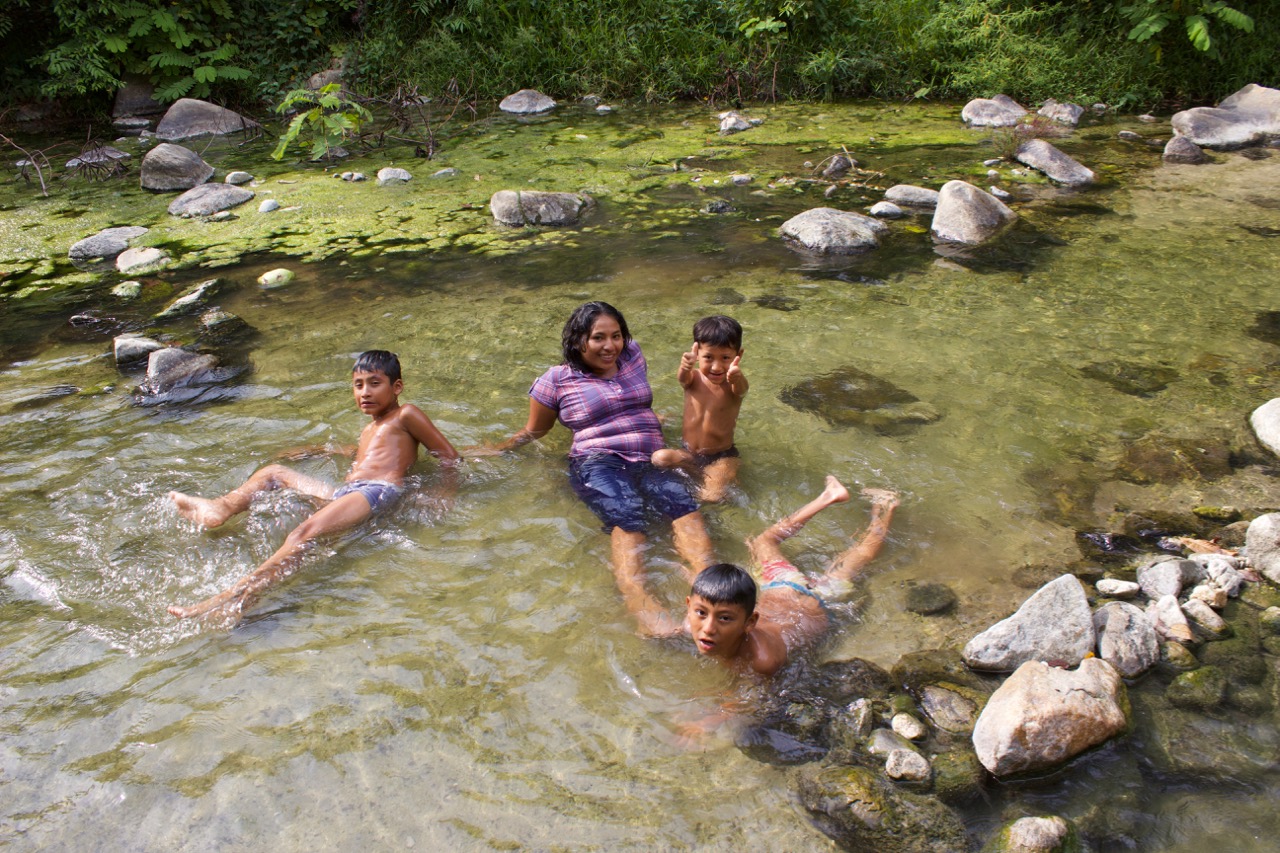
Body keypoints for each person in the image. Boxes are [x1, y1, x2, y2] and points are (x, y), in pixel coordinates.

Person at [167, 350, 459, 623]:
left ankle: (231, 598)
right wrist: (315, 449)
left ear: (397, 387)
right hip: (350, 493)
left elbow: (447, 454)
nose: (365, 392)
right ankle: (221, 507)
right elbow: (365, 454)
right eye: (358, 385)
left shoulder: (406, 414)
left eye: (375, 383)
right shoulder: (370, 428)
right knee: (274, 473)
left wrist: (445, 491)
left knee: (302, 534)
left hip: (376, 491)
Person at [472, 300, 716, 588]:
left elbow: (632, 399)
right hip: (599, 460)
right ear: (578, 341)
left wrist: (651, 417)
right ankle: (641, 605)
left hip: (651, 456)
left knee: (680, 502)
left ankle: (709, 584)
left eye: (616, 335)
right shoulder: (557, 380)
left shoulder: (632, 354)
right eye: (598, 337)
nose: (610, 346)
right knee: (626, 514)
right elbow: (535, 429)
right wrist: (502, 447)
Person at [619, 476, 899, 677]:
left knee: (857, 558)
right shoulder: (694, 624)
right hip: (778, 586)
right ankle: (828, 497)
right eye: (700, 613)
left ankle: (886, 507)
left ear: (750, 623)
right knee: (764, 541)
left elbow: (748, 704)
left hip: (818, 600)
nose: (708, 629)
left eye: (724, 618)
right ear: (689, 607)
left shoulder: (764, 660)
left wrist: (711, 718)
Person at [652, 315, 747, 502]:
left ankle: (723, 477)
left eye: (725, 357)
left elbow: (742, 390)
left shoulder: (733, 385)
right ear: (697, 354)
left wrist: (737, 377)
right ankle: (700, 475)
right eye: (708, 357)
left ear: (738, 356)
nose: (717, 366)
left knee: (710, 497)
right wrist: (685, 366)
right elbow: (682, 379)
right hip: (689, 453)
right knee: (659, 458)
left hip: (721, 456)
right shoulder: (693, 378)